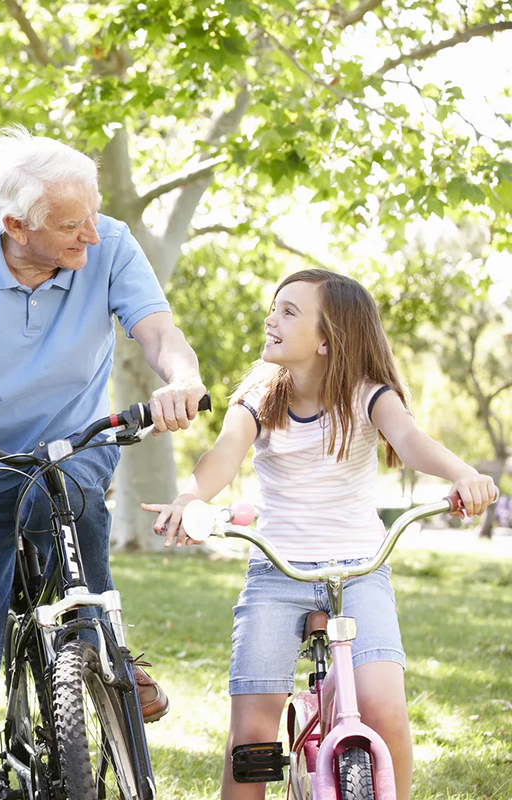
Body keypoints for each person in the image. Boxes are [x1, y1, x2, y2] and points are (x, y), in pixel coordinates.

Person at [0, 127, 207, 800]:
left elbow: (158, 333)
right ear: (13, 225)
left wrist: (181, 377)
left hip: (71, 453)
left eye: (92, 214)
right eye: (69, 225)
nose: (91, 233)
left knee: (57, 493)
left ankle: (99, 642)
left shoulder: (109, 241)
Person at [143, 269, 499, 800]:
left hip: (359, 570)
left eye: (290, 311)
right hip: (277, 573)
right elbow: (223, 454)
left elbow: (411, 438)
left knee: (385, 709)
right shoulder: (260, 395)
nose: (271, 318)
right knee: (253, 736)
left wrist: (462, 474)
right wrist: (193, 497)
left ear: (329, 338)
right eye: (274, 306)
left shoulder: (367, 395)